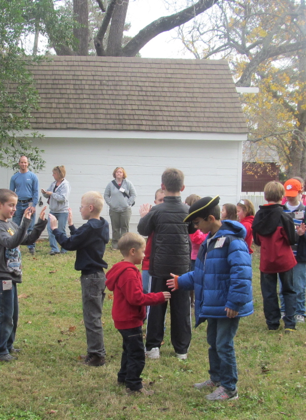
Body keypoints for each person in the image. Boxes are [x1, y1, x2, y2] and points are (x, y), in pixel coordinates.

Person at [167, 195, 253, 401]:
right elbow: (204, 272)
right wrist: (182, 281)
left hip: (227, 305)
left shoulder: (233, 241)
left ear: (211, 218)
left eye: (198, 223)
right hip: (215, 303)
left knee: (224, 344)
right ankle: (216, 378)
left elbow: (242, 274)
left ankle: (230, 389)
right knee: (213, 342)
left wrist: (234, 302)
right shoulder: (210, 241)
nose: (196, 227)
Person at [137, 168, 192, 360]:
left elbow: (143, 229)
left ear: (163, 186)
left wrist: (145, 215)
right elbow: (192, 229)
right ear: (182, 187)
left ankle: (153, 347)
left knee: (157, 305)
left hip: (159, 267)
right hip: (182, 268)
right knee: (182, 309)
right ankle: (181, 350)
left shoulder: (156, 210)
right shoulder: (188, 211)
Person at [105, 232, 170, 395]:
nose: (144, 256)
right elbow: (135, 298)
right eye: (143, 252)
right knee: (136, 354)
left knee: (128, 349)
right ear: (133, 251)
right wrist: (158, 296)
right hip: (129, 319)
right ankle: (134, 385)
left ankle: (124, 377)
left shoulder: (122, 269)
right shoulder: (129, 272)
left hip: (123, 319)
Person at [0, 189, 48, 361]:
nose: (14, 209)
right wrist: (25, 223)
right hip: (0, 277)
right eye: (11, 205)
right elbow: (11, 242)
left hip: (10, 275)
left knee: (12, 314)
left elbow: (26, 239)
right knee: (4, 314)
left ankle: (8, 345)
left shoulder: (11, 224)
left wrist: (40, 224)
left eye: (15, 205)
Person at [51, 191, 110, 367]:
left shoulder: (89, 228)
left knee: (92, 317)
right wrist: (71, 226)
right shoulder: (102, 225)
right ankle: (95, 351)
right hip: (98, 276)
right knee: (94, 315)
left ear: (90, 208)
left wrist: (55, 229)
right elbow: (82, 240)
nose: (80, 208)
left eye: (82, 206)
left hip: (91, 277)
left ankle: (97, 355)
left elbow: (70, 244)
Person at [252, 181, 298, 332]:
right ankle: (290, 323)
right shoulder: (284, 217)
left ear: (265, 196)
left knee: (268, 292)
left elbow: (257, 240)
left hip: (267, 261)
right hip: (284, 260)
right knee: (288, 290)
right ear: (282, 196)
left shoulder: (258, 217)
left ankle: (272, 323)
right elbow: (291, 239)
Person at [279, 178, 306, 323]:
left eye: (293, 194)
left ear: (300, 192)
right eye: (287, 194)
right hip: (284, 254)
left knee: (299, 285)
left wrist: (303, 235)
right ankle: (284, 310)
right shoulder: (281, 210)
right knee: (283, 284)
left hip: (299, 255)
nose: (289, 196)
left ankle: (300, 312)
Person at [9, 156, 39, 255]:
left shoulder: (33, 176)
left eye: (25, 162)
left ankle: (31, 248)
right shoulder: (14, 177)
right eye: (21, 162)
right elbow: (11, 193)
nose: (23, 164)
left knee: (30, 227)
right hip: (18, 205)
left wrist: (34, 205)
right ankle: (15, 247)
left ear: (28, 163)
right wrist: (11, 207)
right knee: (15, 226)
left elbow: (35, 192)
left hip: (29, 204)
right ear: (19, 163)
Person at [104, 167, 137, 250]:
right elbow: (106, 195)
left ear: (123, 174)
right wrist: (111, 203)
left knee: (124, 227)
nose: (119, 173)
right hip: (114, 210)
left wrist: (128, 203)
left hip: (125, 210)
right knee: (115, 228)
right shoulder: (111, 184)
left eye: (120, 172)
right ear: (114, 174)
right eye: (117, 172)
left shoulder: (128, 183)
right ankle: (115, 245)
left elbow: (133, 194)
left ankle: (124, 245)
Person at [140, 189, 164, 296]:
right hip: (149, 262)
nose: (163, 203)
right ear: (155, 202)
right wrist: (145, 218)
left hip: (166, 263)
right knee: (146, 290)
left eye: (165, 200)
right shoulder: (152, 216)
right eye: (160, 200)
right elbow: (144, 231)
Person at [42, 165, 70, 255]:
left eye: (54, 173)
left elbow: (63, 198)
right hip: (53, 210)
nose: (52, 175)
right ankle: (54, 249)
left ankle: (64, 248)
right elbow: (49, 194)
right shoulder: (53, 183)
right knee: (50, 229)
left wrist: (52, 194)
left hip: (62, 211)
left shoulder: (65, 185)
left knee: (61, 230)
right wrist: (45, 193)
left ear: (59, 174)